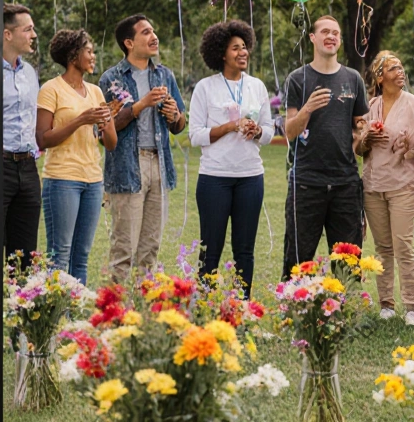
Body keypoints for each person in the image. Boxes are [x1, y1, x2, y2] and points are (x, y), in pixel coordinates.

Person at [188, 20, 274, 296]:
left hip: (250, 177)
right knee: (211, 248)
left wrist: (257, 130)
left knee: (245, 249)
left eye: (245, 47)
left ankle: (242, 304)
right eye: (236, 48)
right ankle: (206, 304)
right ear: (221, 54)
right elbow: (195, 135)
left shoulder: (257, 86)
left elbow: (270, 132)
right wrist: (228, 127)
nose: (243, 52)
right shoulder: (205, 87)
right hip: (215, 178)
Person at [100, 15, 187, 283]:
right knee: (124, 248)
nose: (154, 36)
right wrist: (141, 104)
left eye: (154, 31)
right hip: (128, 166)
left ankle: (143, 312)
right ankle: (115, 313)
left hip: (159, 164)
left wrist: (174, 115)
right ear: (129, 42)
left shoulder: (164, 74)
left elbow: (180, 124)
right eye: (146, 32)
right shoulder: (111, 79)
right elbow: (106, 130)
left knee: (150, 248)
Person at [281, 15, 370, 279]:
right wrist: (307, 108)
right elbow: (290, 131)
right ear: (312, 38)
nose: (331, 36)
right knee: (297, 255)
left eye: (336, 33)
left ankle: (347, 309)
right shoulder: (298, 79)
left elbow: (359, 126)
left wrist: (364, 133)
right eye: (325, 32)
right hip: (306, 182)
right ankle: (293, 308)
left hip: (345, 183)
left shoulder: (353, 79)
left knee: (348, 258)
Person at [354, 51, 414, 325]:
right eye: (393, 68)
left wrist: (408, 149)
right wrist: (367, 138)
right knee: (382, 247)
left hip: (402, 185)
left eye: (401, 67)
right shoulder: (369, 106)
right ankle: (386, 303)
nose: (400, 72)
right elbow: (357, 148)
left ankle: (411, 307)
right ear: (380, 77)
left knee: (403, 246)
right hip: (373, 185)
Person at [36, 29, 118, 283]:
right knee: (60, 254)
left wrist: (106, 122)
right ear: (73, 55)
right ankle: (57, 317)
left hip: (93, 181)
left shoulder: (95, 92)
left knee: (81, 256)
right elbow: (43, 139)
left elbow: (111, 144)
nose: (94, 56)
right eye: (89, 51)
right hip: (62, 180)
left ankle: (75, 318)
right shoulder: (51, 89)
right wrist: (82, 120)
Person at [3, 3, 40, 270]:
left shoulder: (29, 73)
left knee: (25, 254)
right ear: (7, 34)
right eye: (28, 29)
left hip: (28, 167)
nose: (33, 35)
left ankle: (22, 307)